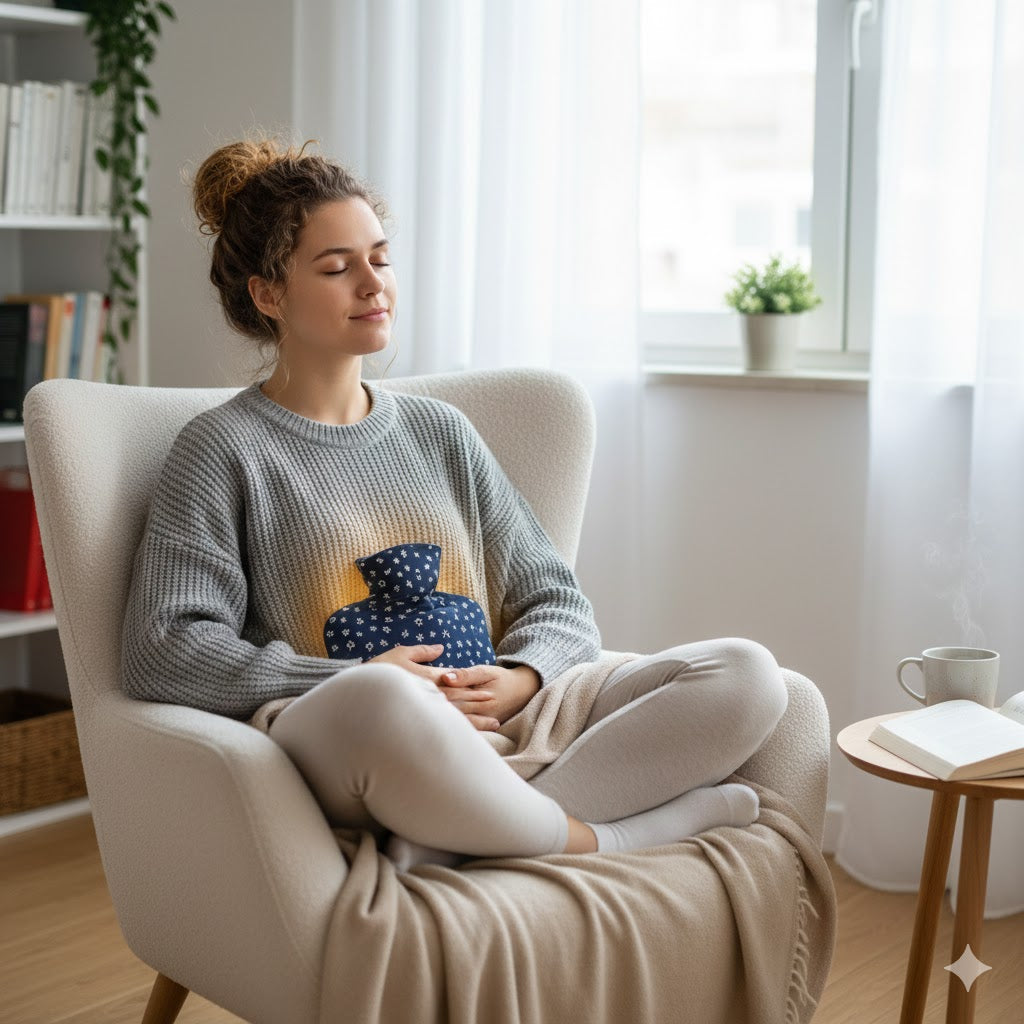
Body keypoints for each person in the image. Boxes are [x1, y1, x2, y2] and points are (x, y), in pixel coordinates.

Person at [120, 136, 789, 871]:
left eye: (380, 258)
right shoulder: (221, 450)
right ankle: (606, 835)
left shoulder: (439, 431)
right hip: (360, 734)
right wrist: (356, 678)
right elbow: (164, 650)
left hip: (504, 722)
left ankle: (464, 830)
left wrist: (522, 678)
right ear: (269, 294)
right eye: (337, 268)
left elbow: (557, 600)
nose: (373, 284)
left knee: (746, 673)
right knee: (383, 699)